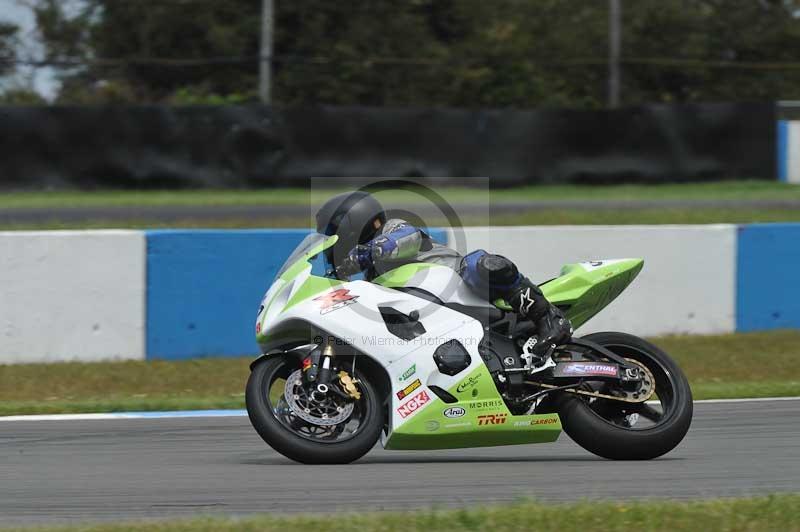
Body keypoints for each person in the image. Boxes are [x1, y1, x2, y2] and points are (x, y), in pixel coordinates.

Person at [315, 191, 572, 358]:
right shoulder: (371, 279)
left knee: (479, 263)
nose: (332, 245)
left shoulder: (393, 228)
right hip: (440, 321)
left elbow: (406, 239)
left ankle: (547, 316)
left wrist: (367, 252)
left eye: (333, 235)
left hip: (462, 285)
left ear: (352, 224)